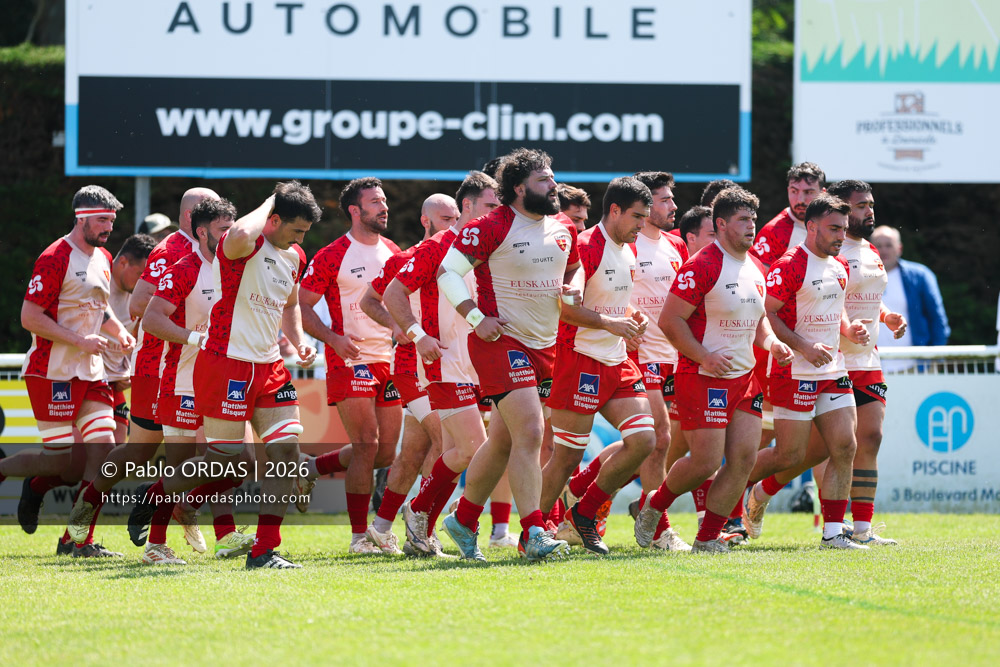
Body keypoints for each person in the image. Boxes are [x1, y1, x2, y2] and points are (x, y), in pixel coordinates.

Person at [127, 182, 320, 570]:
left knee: (284, 451)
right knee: (225, 462)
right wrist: (273, 197)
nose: (301, 239)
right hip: (225, 363)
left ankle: (264, 550)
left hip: (269, 368)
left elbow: (291, 303)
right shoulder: (242, 246)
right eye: (295, 229)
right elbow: (243, 232)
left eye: (305, 233)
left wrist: (298, 339)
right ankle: (158, 495)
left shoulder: (294, 255)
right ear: (274, 219)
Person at [436, 148, 580, 561]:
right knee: (532, 433)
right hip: (500, 342)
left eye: (552, 178)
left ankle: (463, 520)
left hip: (545, 346)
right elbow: (448, 272)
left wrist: (574, 289)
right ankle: (534, 531)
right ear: (519, 188)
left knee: (502, 441)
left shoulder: (564, 227)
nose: (553, 186)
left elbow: (574, 270)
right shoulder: (491, 225)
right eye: (543, 180)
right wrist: (475, 316)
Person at [634, 188, 792, 553]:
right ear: (721, 224)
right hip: (703, 378)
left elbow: (758, 322)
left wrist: (772, 344)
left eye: (754, 219)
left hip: (745, 378)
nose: (752, 227)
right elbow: (670, 320)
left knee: (743, 460)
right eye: (743, 220)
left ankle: (708, 539)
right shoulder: (702, 265)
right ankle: (654, 506)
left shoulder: (754, 266)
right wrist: (704, 356)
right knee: (705, 462)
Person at [0, 185, 134, 558]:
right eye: (102, 220)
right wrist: (79, 339)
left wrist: (118, 330)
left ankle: (76, 540)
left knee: (104, 454)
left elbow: (98, 306)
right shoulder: (55, 256)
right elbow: (30, 316)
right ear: (81, 218)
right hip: (52, 372)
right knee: (62, 462)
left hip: (90, 372)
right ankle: (7, 470)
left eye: (112, 220)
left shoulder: (104, 257)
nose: (109, 227)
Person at [743, 193, 871, 550]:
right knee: (790, 456)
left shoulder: (840, 265)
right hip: (793, 372)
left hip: (832, 369)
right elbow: (767, 314)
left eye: (843, 229)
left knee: (844, 446)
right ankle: (739, 489)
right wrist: (802, 347)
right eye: (833, 229)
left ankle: (832, 533)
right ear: (811, 227)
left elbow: (837, 309)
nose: (840, 236)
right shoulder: (790, 265)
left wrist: (848, 330)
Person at [537, 176, 656, 556]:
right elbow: (566, 311)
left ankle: (583, 514)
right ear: (615, 210)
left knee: (645, 441)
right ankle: (533, 530)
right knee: (566, 456)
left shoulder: (628, 250)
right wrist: (609, 323)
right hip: (579, 360)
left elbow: (615, 303)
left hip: (616, 361)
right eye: (637, 217)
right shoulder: (586, 247)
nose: (642, 225)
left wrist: (632, 318)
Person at [786, 179, 906, 545]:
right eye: (861, 206)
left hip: (867, 359)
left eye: (871, 205)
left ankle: (863, 529)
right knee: (810, 453)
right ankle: (760, 495)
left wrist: (886, 317)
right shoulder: (825, 252)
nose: (869, 211)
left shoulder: (870, 250)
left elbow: (868, 297)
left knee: (870, 438)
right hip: (831, 361)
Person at [16, 233, 154, 541]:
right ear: (122, 263)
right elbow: (38, 315)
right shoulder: (88, 271)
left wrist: (127, 356)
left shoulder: (138, 291)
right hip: (68, 374)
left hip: (107, 383)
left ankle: (75, 537)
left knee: (106, 461)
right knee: (69, 465)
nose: (145, 280)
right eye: (141, 272)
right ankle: (35, 485)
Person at [299, 177, 403, 554]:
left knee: (386, 453)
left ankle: (309, 469)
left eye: (384, 200)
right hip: (350, 360)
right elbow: (303, 305)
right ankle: (361, 537)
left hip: (389, 361)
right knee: (366, 443)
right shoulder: (332, 254)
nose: (384, 207)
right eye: (375, 202)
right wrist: (333, 339)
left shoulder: (394, 250)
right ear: (355, 211)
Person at [614, 170, 690, 551]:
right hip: (638, 357)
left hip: (672, 357)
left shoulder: (675, 246)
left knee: (663, 443)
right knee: (657, 439)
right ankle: (658, 528)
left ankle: (583, 502)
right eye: (664, 200)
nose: (673, 206)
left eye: (671, 199)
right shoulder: (626, 243)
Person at [127, 188, 220, 454]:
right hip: (157, 365)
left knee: (210, 454)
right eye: (211, 212)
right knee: (140, 452)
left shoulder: (217, 248)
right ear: (191, 216)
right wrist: (182, 298)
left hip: (198, 364)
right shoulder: (169, 250)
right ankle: (94, 494)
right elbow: (137, 304)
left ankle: (159, 494)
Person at [870, 225, 950, 361]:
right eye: (878, 245)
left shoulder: (920, 276)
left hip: (913, 364)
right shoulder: (858, 277)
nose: (883, 250)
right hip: (871, 366)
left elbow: (937, 318)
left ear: (899, 248)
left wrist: (936, 359)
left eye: (889, 245)